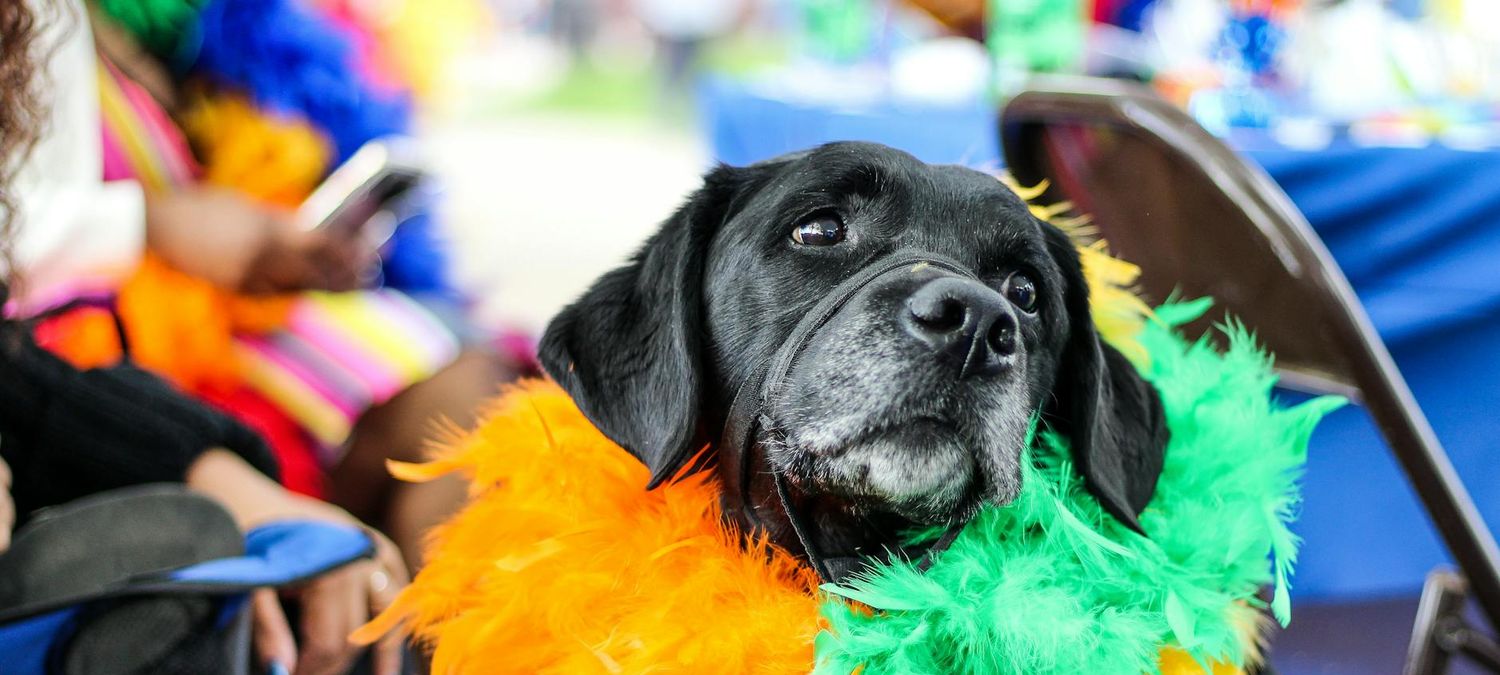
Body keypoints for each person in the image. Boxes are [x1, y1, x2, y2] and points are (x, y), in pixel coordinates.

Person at [18, 0, 507, 573]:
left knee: (478, 392)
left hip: (220, 318)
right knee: (458, 402)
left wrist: (278, 236)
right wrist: (152, 222)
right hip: (76, 352)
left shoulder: (187, 24)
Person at [1, 2, 408, 673]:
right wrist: (153, 224)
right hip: (105, 324)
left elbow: (14, 370)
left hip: (94, 376)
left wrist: (228, 482)